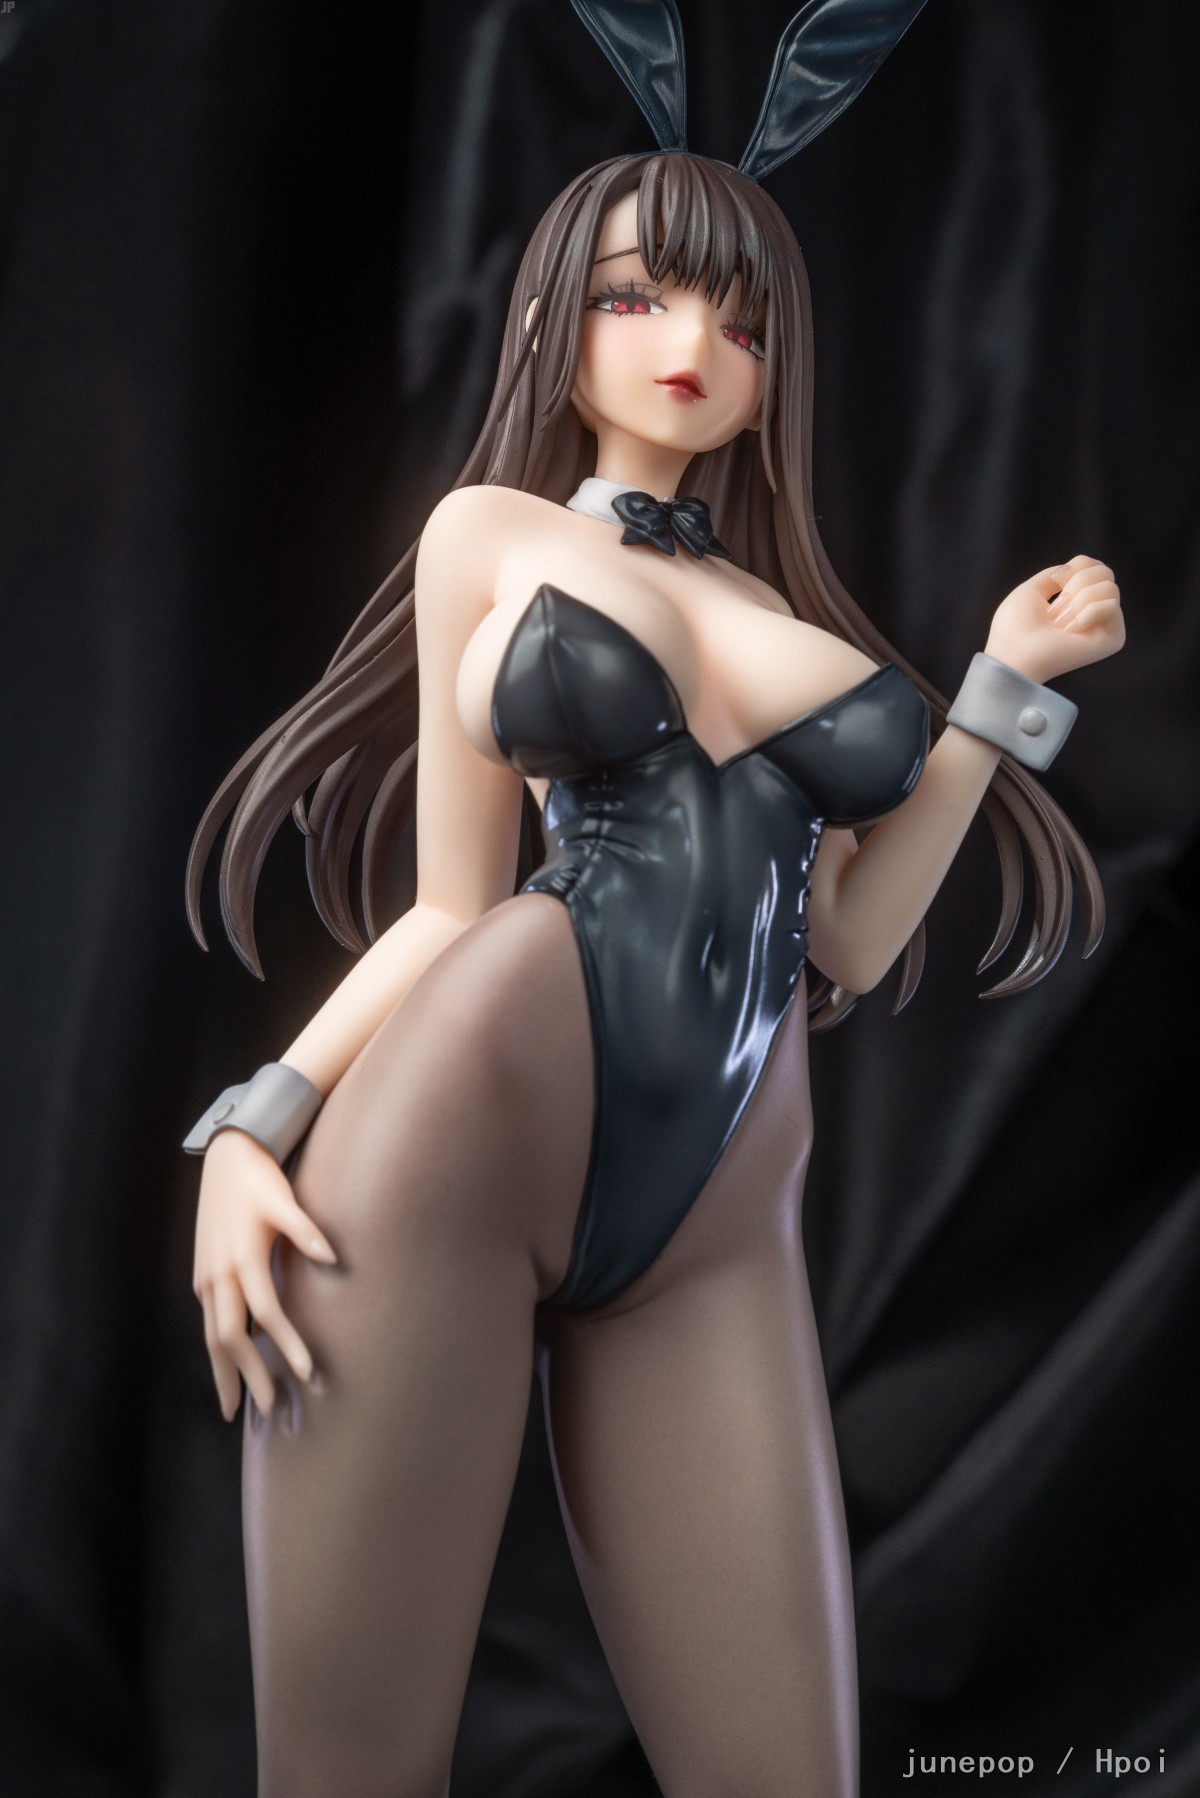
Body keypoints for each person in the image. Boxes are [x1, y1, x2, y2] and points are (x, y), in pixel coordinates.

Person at [185, 11, 1125, 1797]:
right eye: (640, 296)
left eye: (741, 320)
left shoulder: (799, 624)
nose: (692, 345)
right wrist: (257, 1120)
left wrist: (1002, 691)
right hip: (459, 1127)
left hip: (720, 1203)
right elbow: (448, 909)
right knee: (345, 1768)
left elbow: (849, 940)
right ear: (559, 311)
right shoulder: (489, 534)